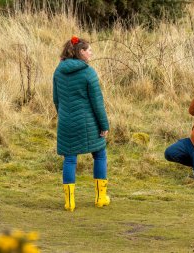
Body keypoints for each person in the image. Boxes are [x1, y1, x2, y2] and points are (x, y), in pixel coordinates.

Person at [53, 36, 110, 211]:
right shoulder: (88, 72)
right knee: (99, 154)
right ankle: (101, 197)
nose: (91, 53)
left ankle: (69, 202)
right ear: (81, 52)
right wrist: (104, 125)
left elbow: (56, 100)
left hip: (66, 122)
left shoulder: (58, 71)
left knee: (70, 159)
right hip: (88, 122)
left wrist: (63, 116)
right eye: (89, 50)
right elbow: (97, 103)